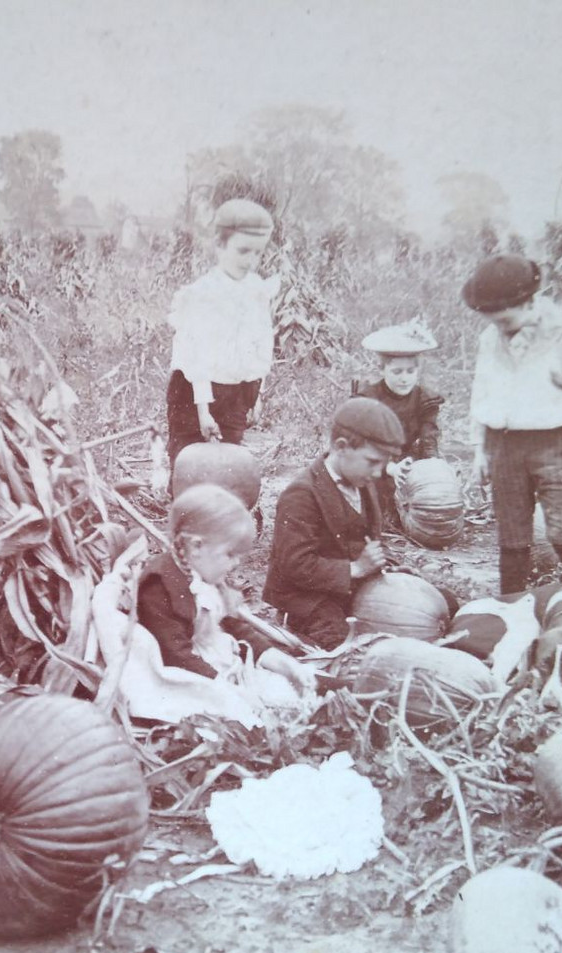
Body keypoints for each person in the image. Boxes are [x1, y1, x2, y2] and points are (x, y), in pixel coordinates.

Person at [463, 254, 562, 595]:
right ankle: (512, 611)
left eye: (505, 320)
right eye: (493, 321)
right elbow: (481, 393)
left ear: (529, 302)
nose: (499, 327)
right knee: (512, 539)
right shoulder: (490, 339)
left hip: (553, 445)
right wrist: (479, 450)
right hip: (504, 445)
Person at [137, 483, 315, 708]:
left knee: (294, 689)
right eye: (230, 554)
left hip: (219, 668)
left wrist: (282, 663)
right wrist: (227, 690)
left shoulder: (202, 574)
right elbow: (177, 656)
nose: (236, 563)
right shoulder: (159, 587)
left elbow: (235, 628)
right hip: (188, 681)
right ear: (197, 546)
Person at [264, 398, 419, 648]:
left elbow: (365, 540)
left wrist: (386, 567)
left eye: (384, 464)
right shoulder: (301, 495)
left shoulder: (363, 483)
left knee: (431, 605)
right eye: (372, 462)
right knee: (341, 642)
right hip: (306, 598)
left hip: (349, 589)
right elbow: (295, 565)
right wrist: (355, 569)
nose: (379, 473)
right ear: (341, 446)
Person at [164, 198, 279, 463]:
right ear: (220, 245)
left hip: (236, 392)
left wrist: (256, 395)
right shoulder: (203, 294)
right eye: (243, 251)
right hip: (195, 391)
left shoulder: (256, 290)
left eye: (258, 253)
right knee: (190, 461)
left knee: (228, 460)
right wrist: (203, 411)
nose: (251, 260)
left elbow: (260, 345)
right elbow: (197, 356)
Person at [354, 320, 444, 520]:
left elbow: (429, 437)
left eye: (410, 371)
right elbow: (362, 442)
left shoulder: (424, 398)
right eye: (397, 372)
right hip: (373, 461)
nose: (404, 378)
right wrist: (389, 467)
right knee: (373, 509)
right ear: (382, 370)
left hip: (408, 460)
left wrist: (432, 467)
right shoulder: (370, 398)